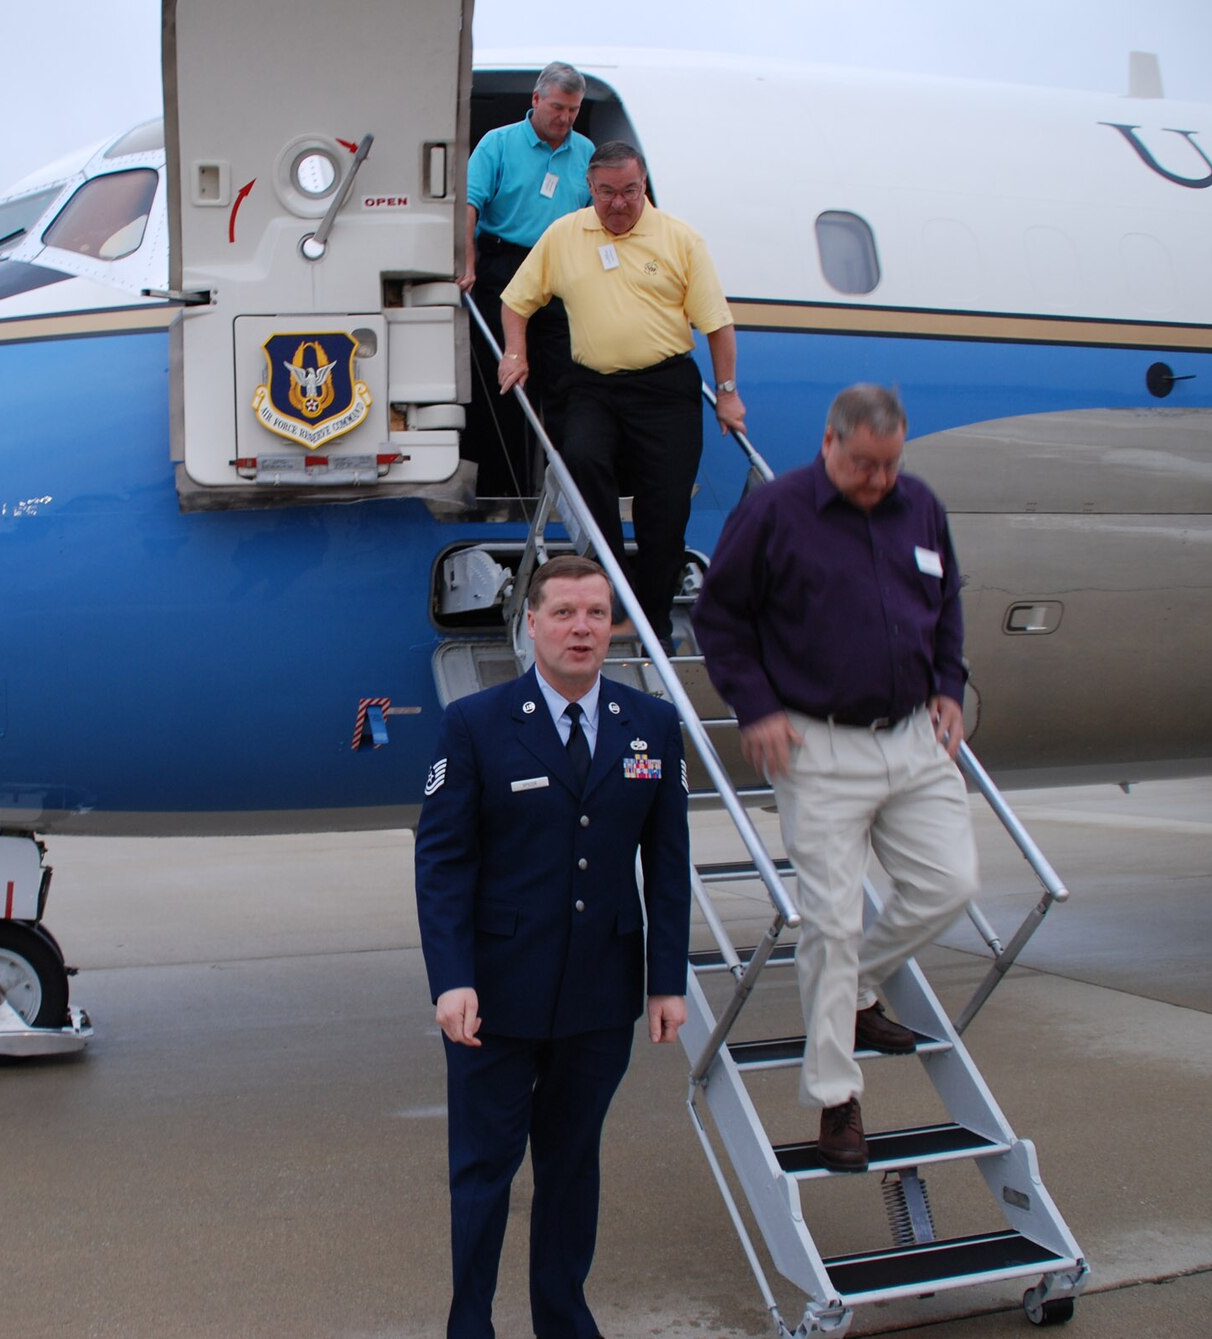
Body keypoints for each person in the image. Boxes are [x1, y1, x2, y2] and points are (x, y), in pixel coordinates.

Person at [689, 384, 978, 1173]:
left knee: (949, 883)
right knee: (830, 919)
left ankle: (855, 989)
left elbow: (947, 599)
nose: (878, 480)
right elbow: (719, 617)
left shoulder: (919, 506)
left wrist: (949, 684)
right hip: (816, 747)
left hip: (914, 737)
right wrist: (755, 707)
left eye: (889, 465)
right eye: (863, 465)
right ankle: (835, 1097)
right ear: (829, 442)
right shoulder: (777, 513)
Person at [416, 553, 691, 1339]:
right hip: (492, 999)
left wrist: (665, 981)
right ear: (529, 622)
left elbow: (667, 864)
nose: (581, 628)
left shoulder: (653, 725)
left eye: (596, 614)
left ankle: (565, 1323)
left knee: (572, 1170)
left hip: (600, 996)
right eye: (564, 612)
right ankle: (470, 1325)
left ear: (615, 626)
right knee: (484, 1174)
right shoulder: (475, 723)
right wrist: (452, 977)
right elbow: (440, 862)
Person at [499, 140, 744, 645]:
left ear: (643, 186)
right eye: (606, 192)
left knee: (666, 511)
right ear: (589, 189)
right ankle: (611, 585)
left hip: (666, 390)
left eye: (629, 191)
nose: (618, 203)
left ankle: (650, 621)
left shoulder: (680, 239)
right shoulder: (564, 234)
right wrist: (515, 353)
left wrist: (727, 393)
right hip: (594, 386)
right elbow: (516, 301)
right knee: (581, 459)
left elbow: (717, 325)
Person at [458, 62, 594, 497]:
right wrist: (468, 261)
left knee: (564, 382)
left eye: (573, 110)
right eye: (557, 107)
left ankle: (563, 492)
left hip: (559, 274)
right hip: (503, 265)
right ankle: (502, 490)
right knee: (504, 382)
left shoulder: (586, 152)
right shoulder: (497, 144)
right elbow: (470, 206)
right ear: (535, 100)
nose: (565, 118)